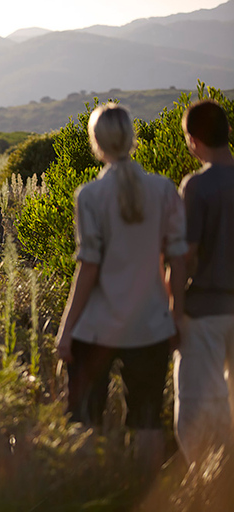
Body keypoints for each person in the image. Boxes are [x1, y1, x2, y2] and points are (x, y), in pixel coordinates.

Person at [56, 103, 187, 476]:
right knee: (147, 418)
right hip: (151, 325)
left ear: (95, 142)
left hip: (98, 326)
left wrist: (67, 329)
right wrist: (175, 318)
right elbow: (177, 260)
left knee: (84, 417)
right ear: (131, 139)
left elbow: (89, 268)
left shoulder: (90, 196)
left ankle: (89, 488)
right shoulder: (163, 189)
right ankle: (142, 489)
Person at [174, 99, 234, 466]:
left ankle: (208, 479)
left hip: (206, 313)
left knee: (198, 406)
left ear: (194, 140)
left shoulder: (197, 186)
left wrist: (174, 313)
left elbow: (186, 256)